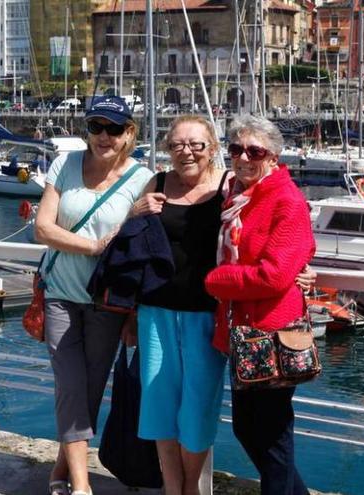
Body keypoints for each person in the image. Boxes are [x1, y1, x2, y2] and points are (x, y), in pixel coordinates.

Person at [35, 96, 153, 495]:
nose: (103, 136)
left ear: (128, 133)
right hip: (60, 295)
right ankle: (82, 487)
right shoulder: (65, 164)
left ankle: (61, 469)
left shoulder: (143, 178)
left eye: (114, 128)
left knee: (89, 389)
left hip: (108, 301)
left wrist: (135, 313)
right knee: (69, 385)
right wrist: (93, 246)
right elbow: (43, 229)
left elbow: (144, 243)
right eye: (96, 126)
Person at [205, 114, 315, 495]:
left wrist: (214, 280)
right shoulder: (235, 196)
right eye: (237, 149)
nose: (244, 157)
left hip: (273, 334)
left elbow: (273, 275)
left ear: (273, 157)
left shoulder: (286, 200)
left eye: (255, 151)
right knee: (246, 428)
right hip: (243, 334)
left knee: (272, 435)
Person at [129, 115, 230, 495]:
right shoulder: (155, 182)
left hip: (206, 315)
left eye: (196, 144)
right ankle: (173, 488)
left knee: (197, 409)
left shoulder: (227, 186)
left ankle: (192, 488)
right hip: (155, 312)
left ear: (212, 149)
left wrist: (299, 269)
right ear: (167, 149)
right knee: (158, 406)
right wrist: (136, 211)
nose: (186, 151)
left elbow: (260, 230)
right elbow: (132, 238)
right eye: (177, 145)